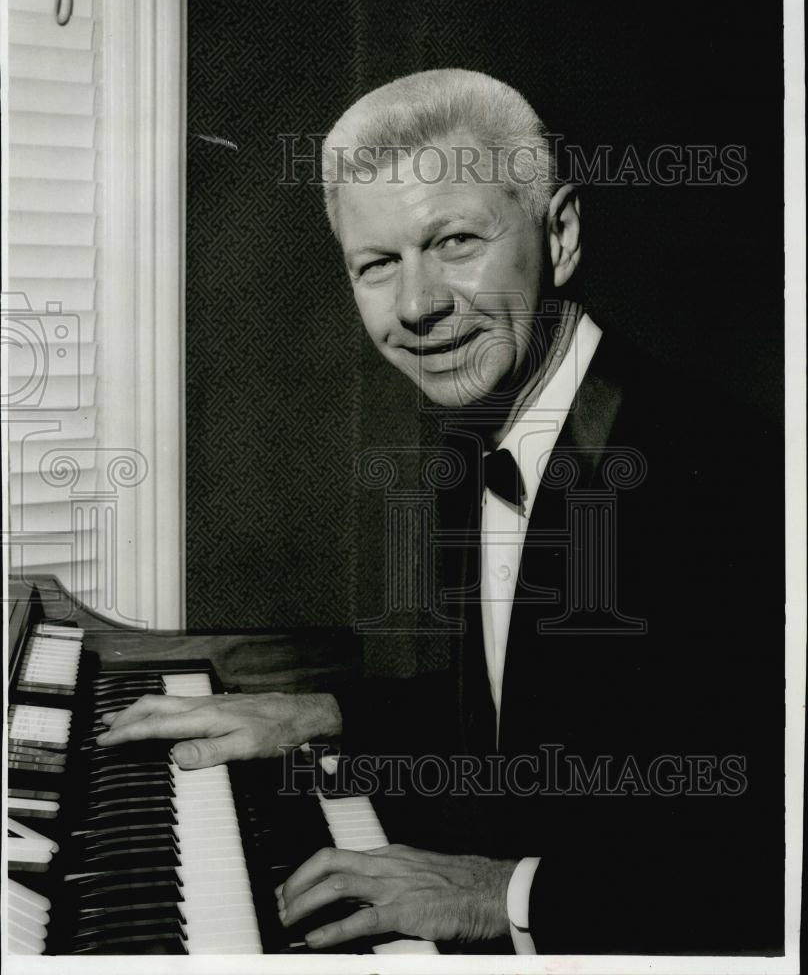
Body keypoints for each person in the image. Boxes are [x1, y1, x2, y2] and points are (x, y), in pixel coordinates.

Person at [97, 69, 783, 955]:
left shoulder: (729, 472)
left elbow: (764, 851)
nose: (416, 307)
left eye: (455, 241)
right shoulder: (483, 434)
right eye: (377, 265)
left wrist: (510, 895)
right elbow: (531, 721)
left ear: (560, 235)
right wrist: (322, 714)